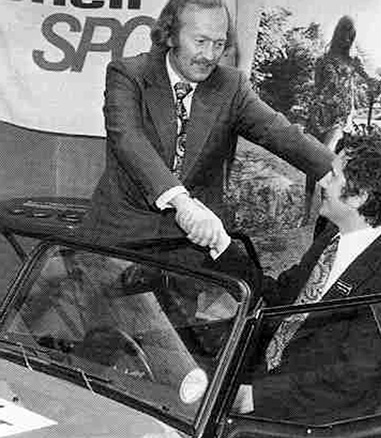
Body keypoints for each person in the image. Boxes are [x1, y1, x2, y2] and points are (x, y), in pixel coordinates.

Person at [81, 0, 335, 253]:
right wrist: (182, 202)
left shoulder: (231, 85)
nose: (210, 55)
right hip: (120, 234)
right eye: (200, 42)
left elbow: (278, 132)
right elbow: (129, 141)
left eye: (219, 44)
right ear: (170, 36)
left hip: (191, 245)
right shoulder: (128, 74)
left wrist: (340, 174)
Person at [210, 135, 381, 423]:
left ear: (359, 197)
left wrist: (255, 396)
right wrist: (221, 245)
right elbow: (279, 297)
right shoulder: (330, 238)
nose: (322, 183)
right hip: (268, 382)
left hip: (312, 418)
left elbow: (355, 376)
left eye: (333, 177)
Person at [302, 15, 381, 222]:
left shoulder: (354, 60)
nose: (348, 38)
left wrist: (380, 82)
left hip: (340, 116)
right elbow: (318, 87)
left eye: (351, 34)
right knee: (312, 163)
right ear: (338, 34)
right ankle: (306, 209)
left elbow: (371, 81)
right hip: (320, 114)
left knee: (325, 156)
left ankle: (328, 209)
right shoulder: (323, 60)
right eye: (345, 33)